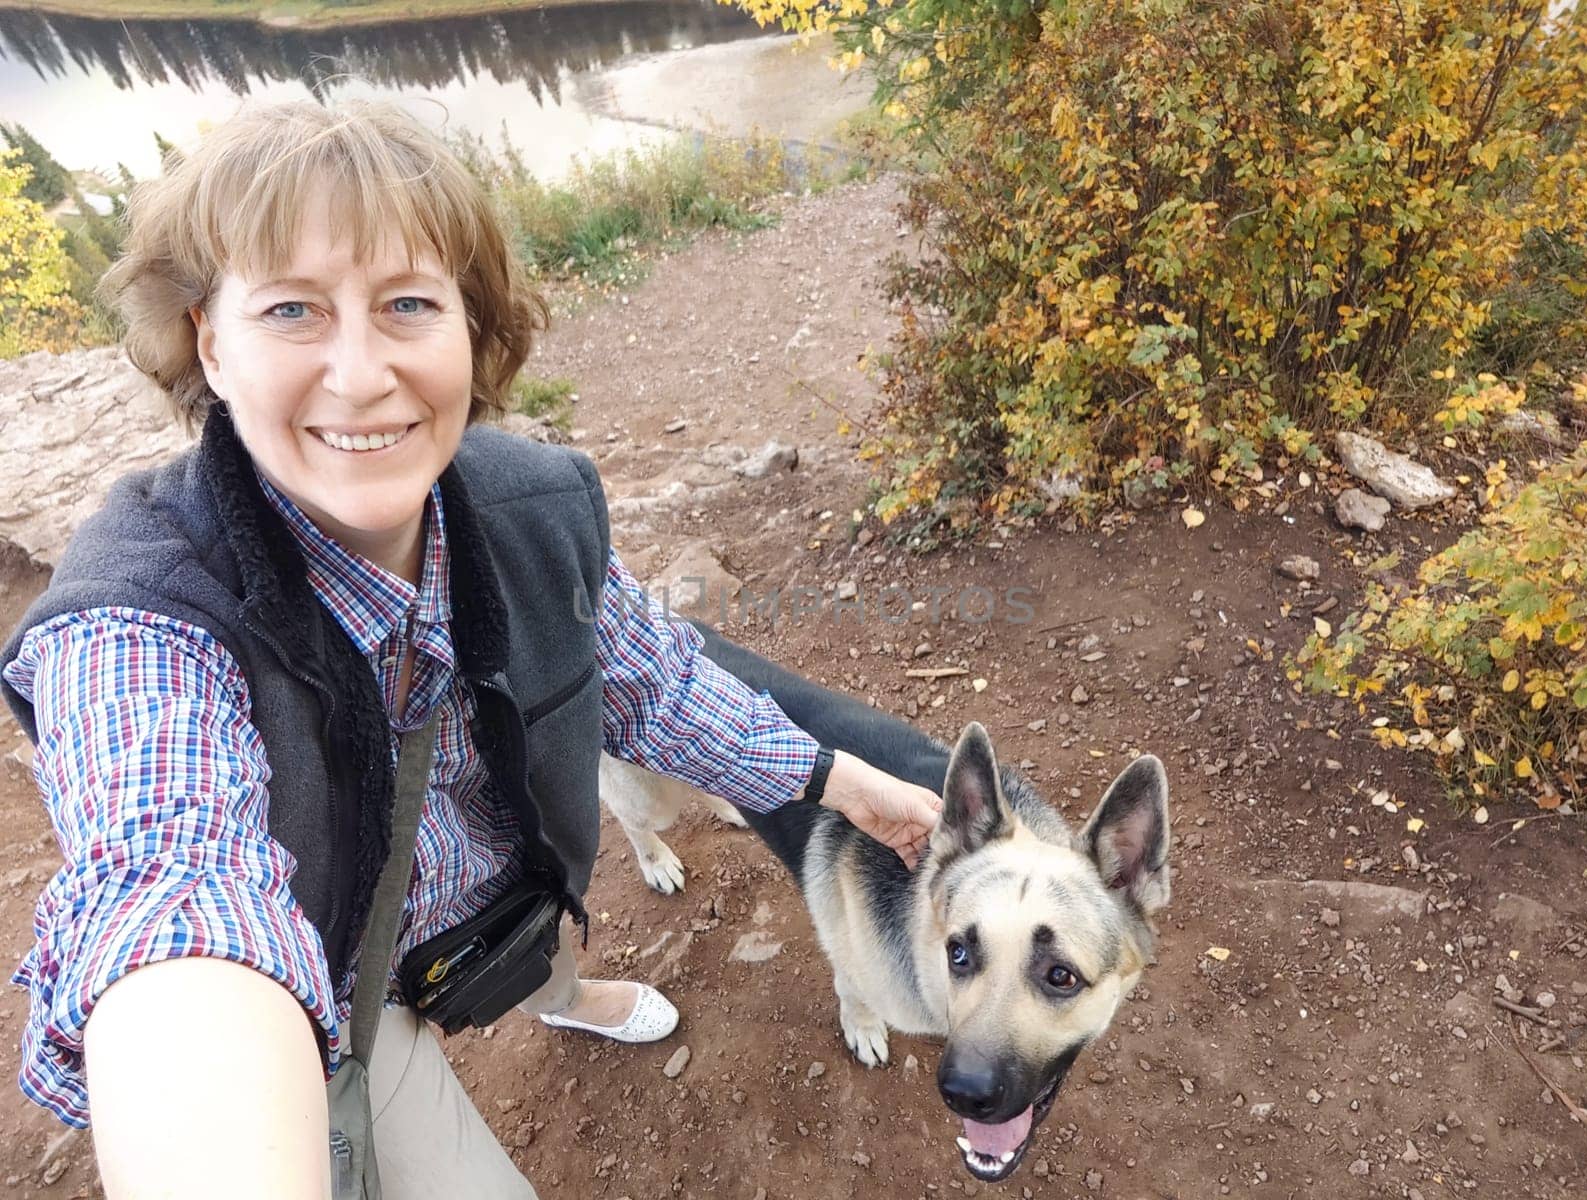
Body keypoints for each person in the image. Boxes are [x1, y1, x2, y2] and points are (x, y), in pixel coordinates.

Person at [0, 99, 942, 1200]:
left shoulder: (533, 509)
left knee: (538, 952)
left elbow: (652, 679)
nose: (358, 373)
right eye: (293, 310)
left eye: (406, 302)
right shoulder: (140, 618)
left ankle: (568, 999)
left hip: (497, 893)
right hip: (334, 992)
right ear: (209, 338)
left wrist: (838, 779)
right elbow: (170, 883)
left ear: (472, 329)